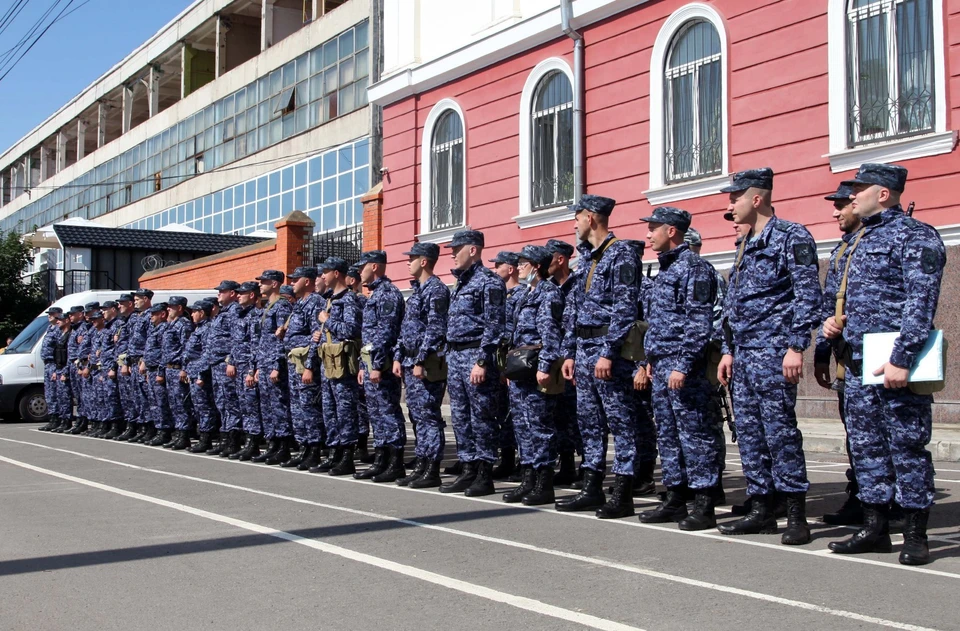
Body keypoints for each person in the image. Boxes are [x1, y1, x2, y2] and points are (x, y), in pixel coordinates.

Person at [822, 163, 945, 566]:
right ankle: (874, 527)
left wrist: (902, 358)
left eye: (860, 188)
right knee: (867, 448)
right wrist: (833, 323)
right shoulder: (859, 240)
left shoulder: (915, 236)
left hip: (894, 364)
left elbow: (920, 303)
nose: (852, 195)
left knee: (906, 447)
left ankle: (915, 533)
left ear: (885, 193)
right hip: (858, 362)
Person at [716, 168, 821, 545]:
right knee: (749, 434)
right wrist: (728, 350)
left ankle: (795, 515)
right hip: (743, 355)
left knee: (779, 435)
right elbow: (734, 304)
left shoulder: (791, 237)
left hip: (774, 353)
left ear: (756, 199)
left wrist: (795, 346)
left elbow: (808, 297)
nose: (730, 204)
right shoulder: (746, 243)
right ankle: (762, 507)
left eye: (735, 197)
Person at [556, 194, 641, 519]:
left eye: (576, 217)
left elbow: (624, 308)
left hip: (609, 352)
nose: (574, 223)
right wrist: (570, 353)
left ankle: (623, 492)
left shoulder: (621, 255)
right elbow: (575, 311)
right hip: (584, 350)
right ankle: (591, 487)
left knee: (620, 422)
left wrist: (608, 352)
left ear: (591, 218)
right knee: (589, 422)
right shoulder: (589, 258)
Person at [637, 207, 720, 530]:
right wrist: (649, 361)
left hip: (682, 367)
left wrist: (683, 365)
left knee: (695, 435)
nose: (648, 234)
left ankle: (704, 502)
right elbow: (656, 325)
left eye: (653, 228)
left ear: (671, 231)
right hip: (661, 365)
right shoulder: (665, 271)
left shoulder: (694, 269)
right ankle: (676, 496)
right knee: (669, 434)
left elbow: (699, 324)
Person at [813, 184, 866, 526]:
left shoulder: (876, 245)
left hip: (875, 358)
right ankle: (861, 498)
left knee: (882, 436)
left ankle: (890, 505)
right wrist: (821, 351)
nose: (836, 212)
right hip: (846, 359)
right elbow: (828, 306)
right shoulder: (841, 250)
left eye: (842, 205)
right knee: (857, 435)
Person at [440, 229, 506, 497]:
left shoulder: (488, 282)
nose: (453, 254)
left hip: (475, 356)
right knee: (460, 417)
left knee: (482, 417)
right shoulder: (462, 283)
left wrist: (482, 360)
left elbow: (495, 325)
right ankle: (468, 469)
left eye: (457, 249)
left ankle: (484, 473)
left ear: (474, 249)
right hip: (456, 356)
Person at [501, 245, 564, 506]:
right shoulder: (529, 293)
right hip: (520, 368)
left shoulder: (549, 294)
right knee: (522, 426)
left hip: (536, 367)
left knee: (540, 426)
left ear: (536, 266)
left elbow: (551, 334)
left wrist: (546, 366)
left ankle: (543, 483)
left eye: (524, 264)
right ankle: (527, 478)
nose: (520, 268)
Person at [393, 242, 450, 488]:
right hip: (409, 360)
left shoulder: (436, 290)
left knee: (428, 416)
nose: (408, 262)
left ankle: (432, 468)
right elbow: (406, 329)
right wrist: (398, 356)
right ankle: (422, 463)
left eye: (412, 258)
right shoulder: (417, 291)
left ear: (424, 261)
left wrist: (419, 360)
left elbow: (436, 328)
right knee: (416, 415)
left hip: (425, 364)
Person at [684, 226, 729, 502]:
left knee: (708, 422)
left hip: (706, 357)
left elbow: (716, 318)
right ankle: (696, 481)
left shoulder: (706, 273)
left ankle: (714, 483)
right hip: (687, 357)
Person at [355, 250, 407, 482]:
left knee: (388, 412)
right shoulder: (375, 295)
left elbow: (386, 333)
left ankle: (395, 463)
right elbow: (368, 337)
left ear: (374, 267)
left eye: (362, 267)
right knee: (376, 413)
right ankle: (381, 459)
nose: (359, 272)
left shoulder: (388, 294)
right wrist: (362, 366)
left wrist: (375, 365)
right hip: (371, 365)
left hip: (382, 365)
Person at [308, 256, 362, 476]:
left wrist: (328, 321)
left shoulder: (349, 300)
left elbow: (352, 330)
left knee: (345, 411)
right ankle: (334, 454)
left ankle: (347, 456)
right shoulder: (328, 300)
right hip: (327, 363)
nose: (322, 276)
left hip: (342, 365)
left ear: (337, 273)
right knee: (330, 412)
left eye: (325, 272)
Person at [621, 239, 658, 498]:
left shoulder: (645, 288)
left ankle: (645, 476)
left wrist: (644, 366)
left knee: (643, 422)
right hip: (623, 366)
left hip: (639, 367)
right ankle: (632, 473)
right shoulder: (623, 288)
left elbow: (651, 330)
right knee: (630, 423)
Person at [546, 238, 584, 484]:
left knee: (579, 416)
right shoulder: (549, 288)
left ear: (560, 259)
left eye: (547, 258)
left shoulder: (578, 285)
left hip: (576, 359)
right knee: (558, 414)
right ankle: (567, 464)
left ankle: (587, 468)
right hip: (555, 359)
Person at [280, 267, 325, 470]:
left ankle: (314, 450)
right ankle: (304, 448)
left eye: (295, 280)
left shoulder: (315, 303)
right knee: (298, 409)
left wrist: (309, 366)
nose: (291, 284)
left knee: (309, 409)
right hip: (294, 364)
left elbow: (318, 337)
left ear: (307, 281)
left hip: (305, 365)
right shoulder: (299, 304)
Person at [254, 270, 295, 465]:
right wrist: (258, 367)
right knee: (267, 406)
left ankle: (283, 447)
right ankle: (272, 445)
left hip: (274, 364)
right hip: (264, 363)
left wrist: (277, 365)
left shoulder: (282, 307)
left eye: (265, 281)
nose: (261, 284)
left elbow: (281, 340)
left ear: (276, 284)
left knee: (279, 406)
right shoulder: (268, 308)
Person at [491, 250, 522, 480]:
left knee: (517, 414)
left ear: (510, 269)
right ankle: (507, 458)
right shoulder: (503, 295)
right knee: (503, 413)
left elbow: (515, 331)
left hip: (514, 361)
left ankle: (521, 461)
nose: (495, 269)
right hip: (500, 361)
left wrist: (509, 366)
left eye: (498, 266)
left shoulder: (520, 294)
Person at [203, 281, 242, 456]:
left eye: (222, 291)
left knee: (230, 403)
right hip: (216, 365)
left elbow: (237, 338)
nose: (219, 294)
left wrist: (231, 361)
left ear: (232, 293)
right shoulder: (223, 313)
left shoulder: (234, 312)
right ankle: (225, 438)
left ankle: (232, 441)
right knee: (222, 403)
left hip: (225, 364)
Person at [228, 281, 265, 460]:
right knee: (243, 405)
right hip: (239, 367)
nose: (238, 296)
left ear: (251, 295)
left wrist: (252, 370)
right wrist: (232, 362)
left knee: (251, 406)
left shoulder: (256, 316)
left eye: (242, 293)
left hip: (248, 368)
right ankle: (247, 441)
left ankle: (254, 443)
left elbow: (256, 345)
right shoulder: (240, 316)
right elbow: (236, 344)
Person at [346, 263, 373, 463]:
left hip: (359, 357)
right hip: (348, 359)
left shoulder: (359, 301)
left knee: (360, 404)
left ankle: (362, 444)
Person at [185, 299, 219, 453]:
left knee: (205, 407)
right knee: (198, 406)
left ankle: (206, 438)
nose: (192, 314)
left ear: (202, 312)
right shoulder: (198, 328)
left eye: (194, 311)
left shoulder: (207, 329)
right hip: (193, 372)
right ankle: (203, 436)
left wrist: (200, 374)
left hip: (201, 374)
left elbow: (207, 354)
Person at [163, 297, 195, 450]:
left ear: (180, 308)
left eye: (172, 307)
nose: (169, 309)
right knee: (174, 403)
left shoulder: (184, 324)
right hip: (170, 369)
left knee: (182, 403)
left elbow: (186, 349)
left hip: (178, 369)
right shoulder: (172, 325)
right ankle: (178, 433)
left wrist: (184, 368)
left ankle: (184, 435)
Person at [141, 303, 174, 445]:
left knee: (161, 403)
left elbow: (164, 353)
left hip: (158, 370)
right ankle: (159, 429)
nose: (151, 317)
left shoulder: (164, 329)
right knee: (154, 402)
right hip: (152, 370)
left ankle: (165, 431)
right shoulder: (155, 329)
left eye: (154, 314)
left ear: (162, 314)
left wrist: (160, 372)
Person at [126, 289, 154, 442]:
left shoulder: (151, 316)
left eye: (137, 299)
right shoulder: (135, 317)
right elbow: (129, 341)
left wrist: (144, 360)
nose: (135, 302)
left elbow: (150, 341)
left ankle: (150, 428)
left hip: (143, 362)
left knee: (146, 396)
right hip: (134, 362)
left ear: (145, 298)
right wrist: (129, 362)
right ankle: (142, 427)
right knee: (137, 397)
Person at [112, 294, 140, 441]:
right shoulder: (123, 321)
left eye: (122, 303)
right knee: (127, 398)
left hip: (129, 364)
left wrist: (127, 363)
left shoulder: (134, 319)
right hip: (123, 363)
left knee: (133, 398)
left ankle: (135, 427)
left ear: (130, 304)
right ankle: (131, 426)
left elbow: (134, 344)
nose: (119, 306)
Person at [99, 301, 125, 439]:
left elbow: (118, 349)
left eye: (105, 309)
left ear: (113, 310)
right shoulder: (108, 326)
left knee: (113, 397)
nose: (103, 312)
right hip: (105, 366)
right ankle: (110, 424)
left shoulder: (118, 325)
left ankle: (116, 425)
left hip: (112, 367)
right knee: (107, 397)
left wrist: (113, 367)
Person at [38, 307, 64, 432]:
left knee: (55, 393)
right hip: (47, 364)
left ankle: (58, 419)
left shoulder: (59, 330)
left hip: (54, 364)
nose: (50, 316)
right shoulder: (50, 329)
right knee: (49, 393)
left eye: (52, 314)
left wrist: (56, 368)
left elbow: (59, 349)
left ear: (59, 315)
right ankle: (52, 418)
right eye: (49, 314)